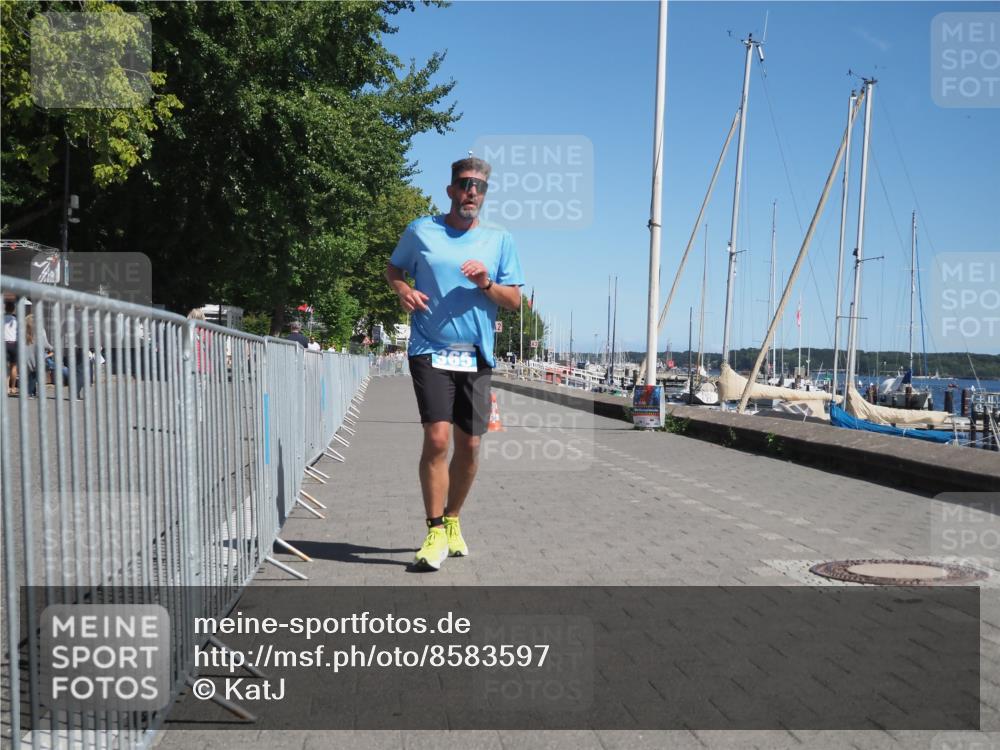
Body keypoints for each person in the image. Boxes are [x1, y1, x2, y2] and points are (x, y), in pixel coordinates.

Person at [385, 156, 524, 570]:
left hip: (476, 354)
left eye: (479, 187)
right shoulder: (421, 230)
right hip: (429, 349)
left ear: (485, 194)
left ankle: (452, 519)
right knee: (438, 439)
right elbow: (393, 268)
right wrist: (402, 289)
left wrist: (486, 283)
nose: (471, 193)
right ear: (450, 190)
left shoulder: (500, 241)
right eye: (465, 184)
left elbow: (514, 301)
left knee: (471, 444)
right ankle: (432, 532)